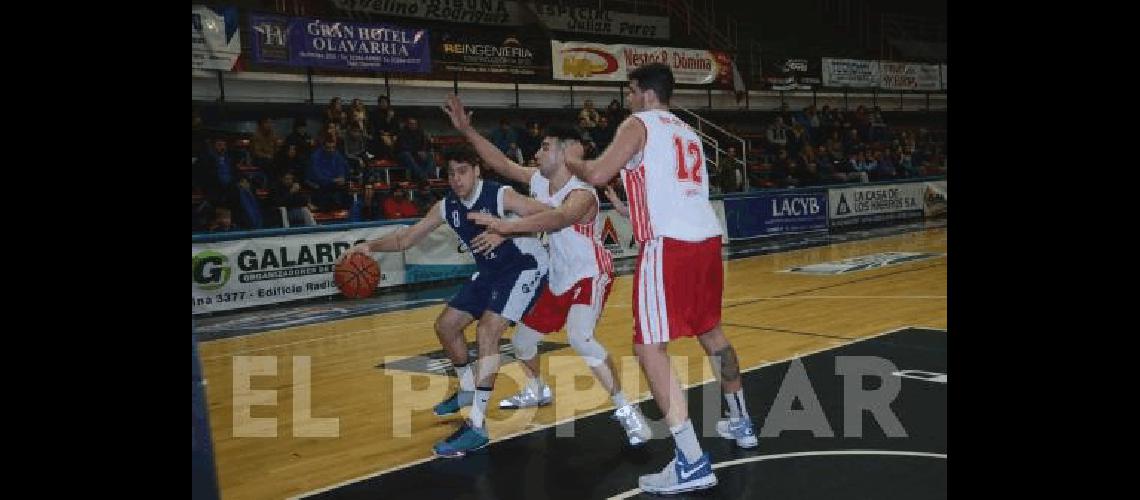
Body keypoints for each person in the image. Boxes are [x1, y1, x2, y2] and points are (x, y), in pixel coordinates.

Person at [565, 63, 758, 495]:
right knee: (712, 333)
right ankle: (742, 420)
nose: (628, 99)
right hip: (706, 239)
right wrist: (628, 207)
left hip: (668, 247)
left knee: (648, 346)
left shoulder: (638, 123)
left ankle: (691, 460)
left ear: (645, 93)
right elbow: (670, 192)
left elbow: (596, 174)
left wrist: (572, 162)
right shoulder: (687, 131)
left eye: (630, 91)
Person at [441, 94, 652, 446]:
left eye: (545, 146)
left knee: (580, 336)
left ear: (568, 152)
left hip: (590, 273)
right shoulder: (539, 181)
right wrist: (468, 131)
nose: (537, 153)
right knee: (522, 342)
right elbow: (503, 165)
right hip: (558, 278)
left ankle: (627, 410)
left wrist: (504, 227)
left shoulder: (583, 192)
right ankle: (537, 388)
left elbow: (558, 218)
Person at [339, 149, 551, 458]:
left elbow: (548, 214)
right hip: (492, 271)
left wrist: (504, 231)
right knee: (446, 326)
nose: (456, 179)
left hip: (524, 266)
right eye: (451, 173)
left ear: (477, 171)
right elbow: (405, 240)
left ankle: (477, 426)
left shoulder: (499, 195)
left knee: (487, 332)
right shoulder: (447, 206)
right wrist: (369, 246)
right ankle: (467, 389)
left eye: (463, 171)